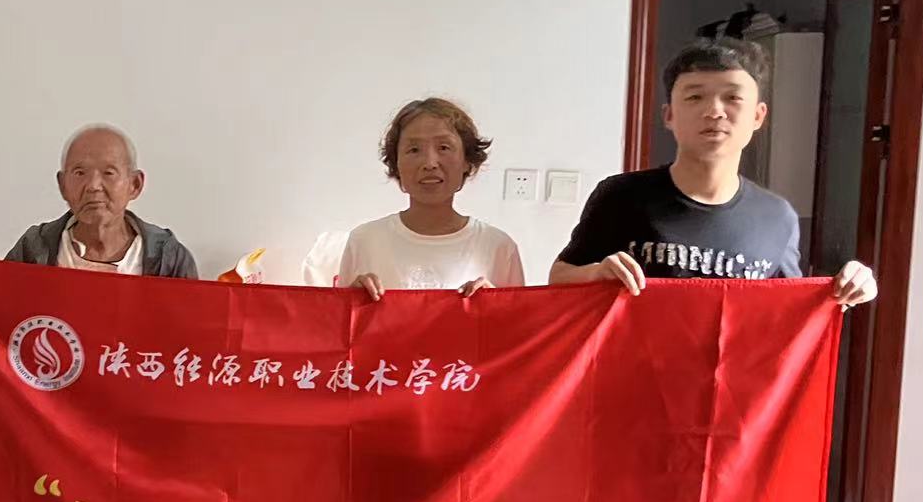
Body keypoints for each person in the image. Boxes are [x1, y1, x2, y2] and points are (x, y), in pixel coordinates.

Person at [550, 37, 877, 306]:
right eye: (695, 97)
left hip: (734, 371)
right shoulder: (621, 196)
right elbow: (559, 278)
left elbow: (789, 311)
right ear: (669, 115)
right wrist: (596, 275)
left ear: (758, 116)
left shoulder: (777, 217)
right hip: (634, 367)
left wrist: (849, 290)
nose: (714, 111)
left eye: (733, 97)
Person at [339, 97, 525, 299]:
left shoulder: (499, 247)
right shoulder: (364, 241)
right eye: (414, 150)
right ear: (396, 163)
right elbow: (339, 318)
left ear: (466, 161)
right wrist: (350, 301)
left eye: (444, 148)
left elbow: (519, 319)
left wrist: (496, 305)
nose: (429, 163)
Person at [6, 124, 198, 277]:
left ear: (135, 184)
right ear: (63, 185)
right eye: (80, 173)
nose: (93, 186)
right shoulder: (33, 250)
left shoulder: (168, 259)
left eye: (108, 173)